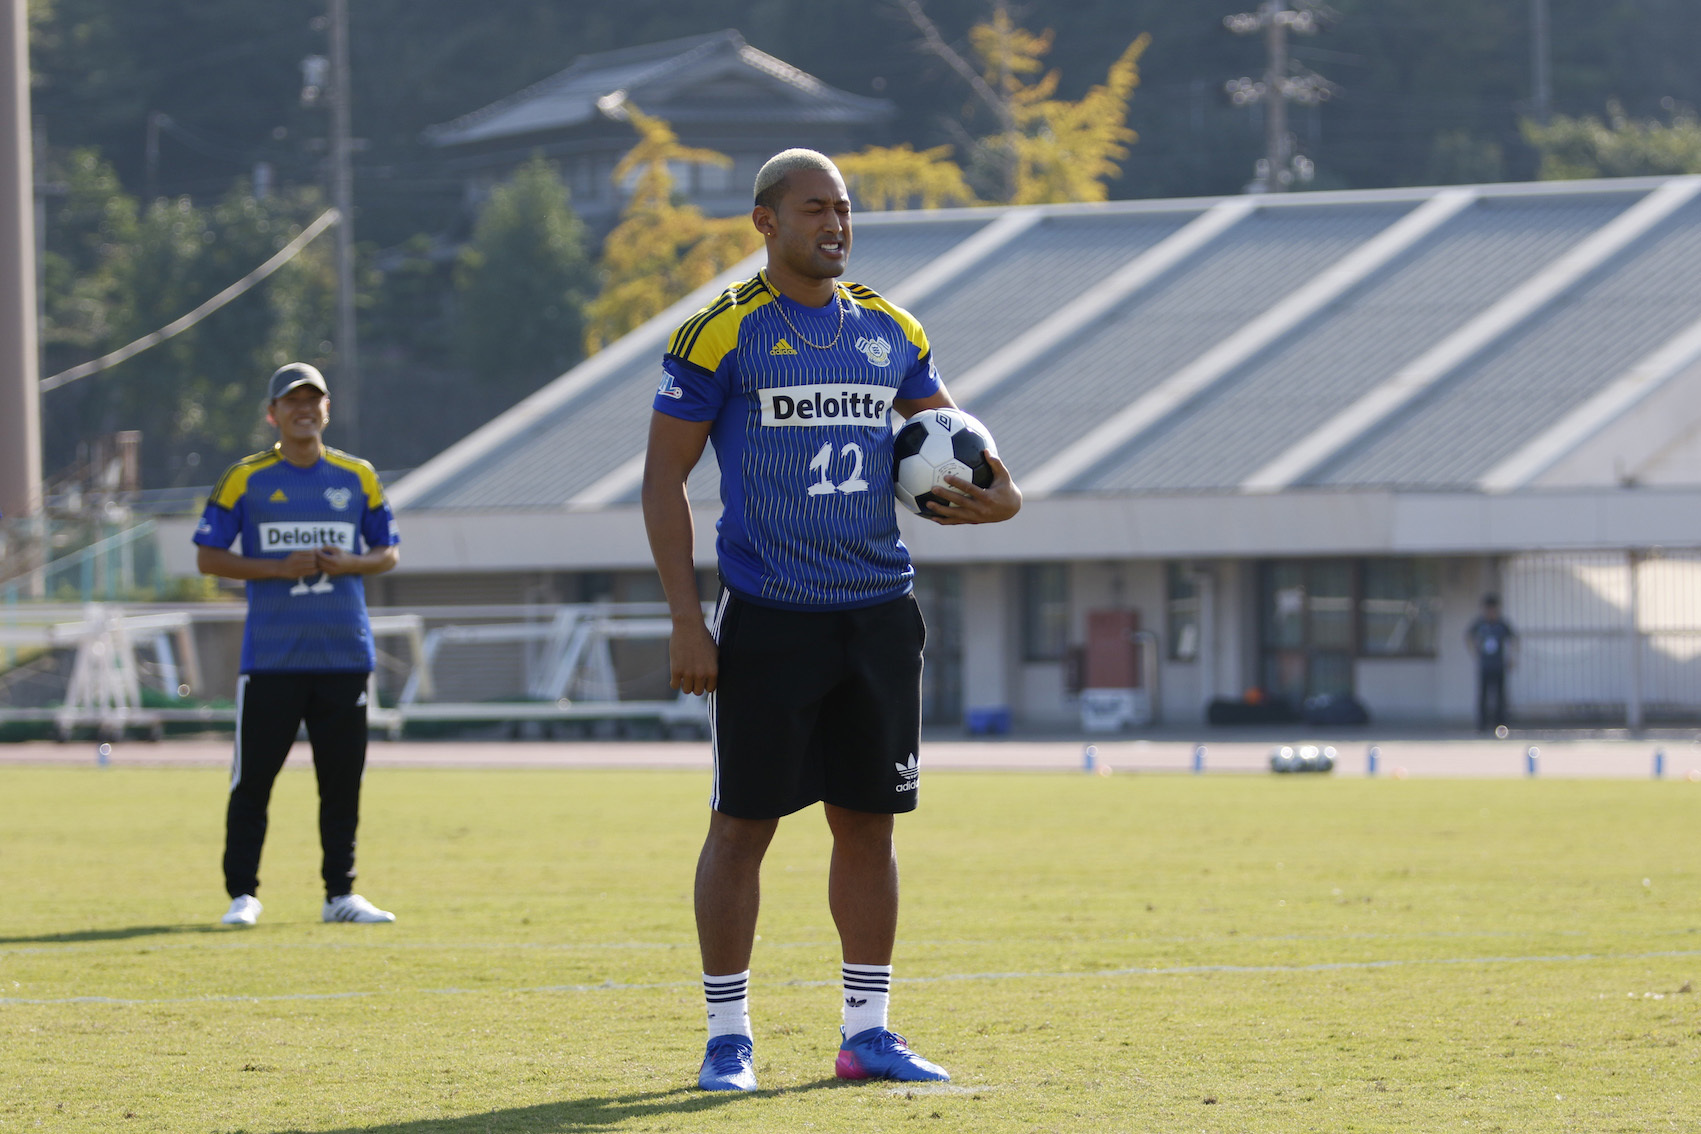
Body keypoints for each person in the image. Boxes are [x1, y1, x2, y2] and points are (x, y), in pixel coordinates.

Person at [642, 148, 1022, 1093]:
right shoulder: (717, 335)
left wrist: (1003, 494)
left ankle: (868, 1033)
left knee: (870, 825)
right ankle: (728, 1036)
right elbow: (662, 482)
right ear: (766, 223)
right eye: (815, 209)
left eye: (844, 210)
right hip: (770, 617)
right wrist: (688, 621)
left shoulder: (892, 329)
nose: (836, 225)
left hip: (879, 615)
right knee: (743, 826)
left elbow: (953, 444)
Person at [194, 362, 401, 927]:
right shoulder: (245, 477)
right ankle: (243, 893)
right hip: (272, 660)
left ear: (327, 409)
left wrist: (353, 562)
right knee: (253, 780)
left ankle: (341, 894)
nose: (304, 409)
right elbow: (208, 556)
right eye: (292, 401)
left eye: (314, 399)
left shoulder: (358, 476)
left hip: (343, 655)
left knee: (341, 782)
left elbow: (389, 551)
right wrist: (275, 568)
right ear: (273, 414)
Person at [1465, 593, 1518, 733]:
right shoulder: (1480, 624)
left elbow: (1513, 639)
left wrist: (1511, 658)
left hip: (1499, 665)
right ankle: (1482, 725)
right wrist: (1475, 652)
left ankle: (1501, 725)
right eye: (1488, 609)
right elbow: (1468, 636)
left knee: (1500, 696)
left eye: (1493, 609)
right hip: (1485, 666)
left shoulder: (1502, 624)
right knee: (1483, 695)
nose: (1490, 612)